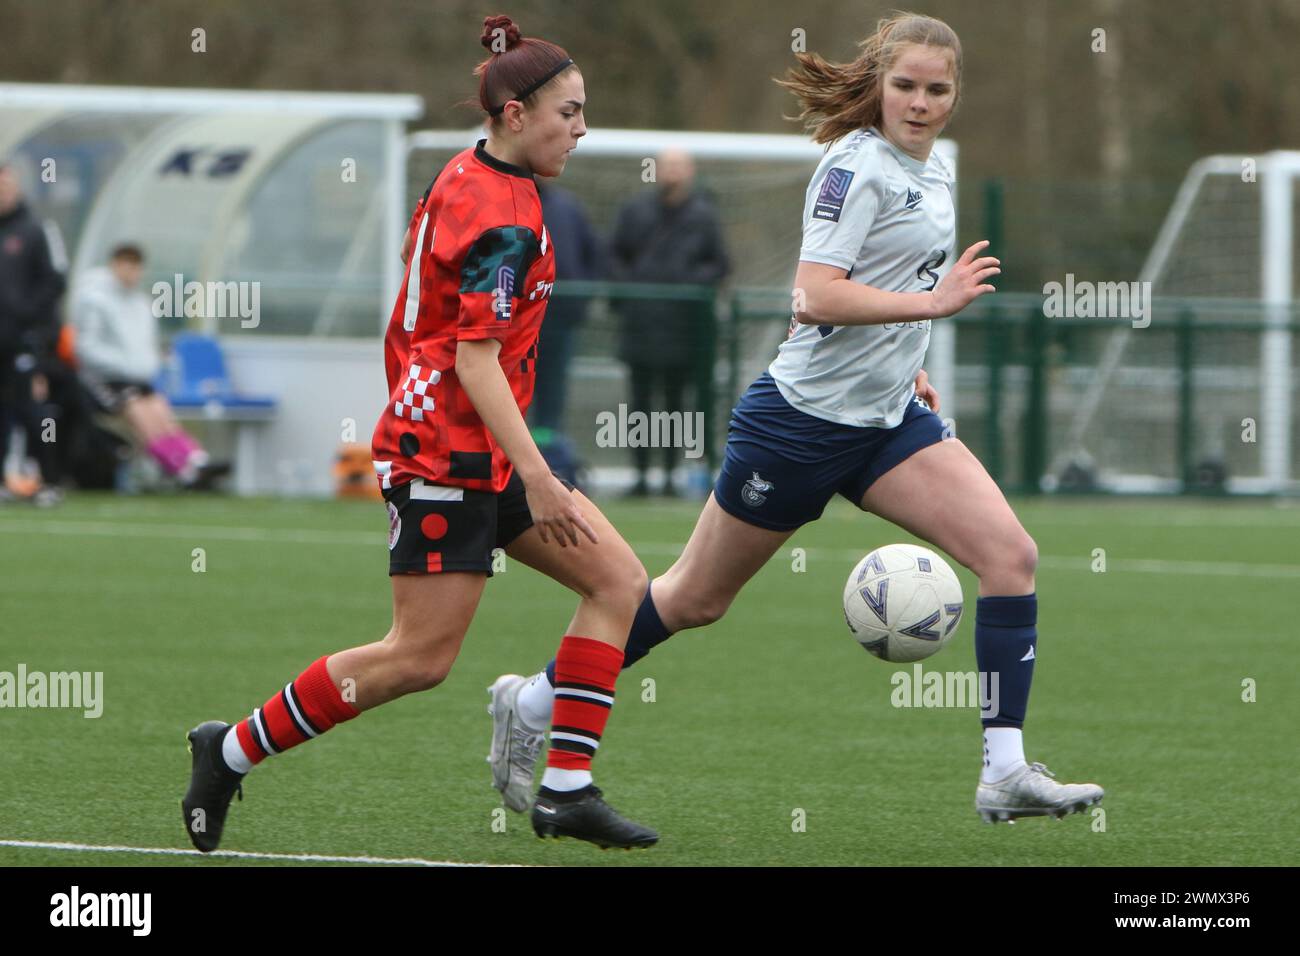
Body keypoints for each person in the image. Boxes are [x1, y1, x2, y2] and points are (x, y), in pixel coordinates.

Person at [488, 12, 1104, 825]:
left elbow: (886, 281)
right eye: (906, 86)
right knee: (691, 599)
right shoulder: (856, 166)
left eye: (937, 89)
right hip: (800, 425)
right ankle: (533, 702)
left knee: (1010, 555)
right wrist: (933, 304)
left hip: (886, 422)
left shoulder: (935, 172)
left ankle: (1005, 771)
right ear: (881, 85)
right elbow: (814, 295)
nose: (920, 103)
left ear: (958, 92)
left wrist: (908, 359)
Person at [181, 14, 657, 852]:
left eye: (583, 113)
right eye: (568, 113)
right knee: (418, 658)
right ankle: (228, 750)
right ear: (514, 113)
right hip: (447, 454)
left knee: (618, 582)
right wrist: (538, 473)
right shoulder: (503, 216)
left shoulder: (474, 173)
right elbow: (476, 360)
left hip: (480, 445)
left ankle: (567, 790)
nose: (581, 130)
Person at [610, 148, 729, 495]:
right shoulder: (634, 211)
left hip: (686, 331)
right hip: (641, 328)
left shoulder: (705, 216)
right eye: (667, 167)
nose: (673, 174)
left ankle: (670, 477)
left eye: (680, 167)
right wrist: (635, 289)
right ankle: (642, 477)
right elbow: (615, 255)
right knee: (640, 406)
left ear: (690, 172)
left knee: (678, 406)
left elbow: (719, 264)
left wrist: (688, 283)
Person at [71, 243, 230, 490]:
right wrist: (124, 363)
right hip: (104, 379)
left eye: (136, 267)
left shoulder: (141, 303)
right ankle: (180, 469)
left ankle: (196, 460)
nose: (131, 273)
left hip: (137, 377)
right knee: (140, 413)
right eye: (126, 266)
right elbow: (86, 346)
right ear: (114, 265)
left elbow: (146, 344)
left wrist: (150, 362)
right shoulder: (94, 300)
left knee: (161, 411)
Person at [0, 160, 67, 506]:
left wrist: (33, 326)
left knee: (34, 411)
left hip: (25, 342)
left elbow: (55, 282)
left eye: (5, 186)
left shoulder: (36, 230)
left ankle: (49, 480)